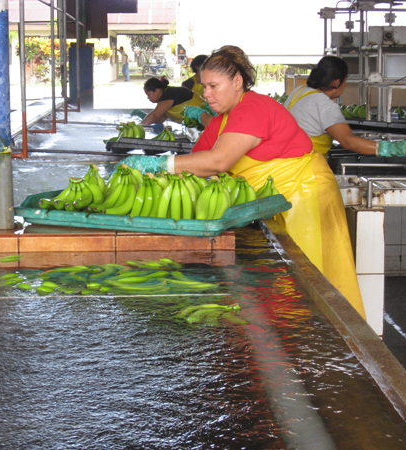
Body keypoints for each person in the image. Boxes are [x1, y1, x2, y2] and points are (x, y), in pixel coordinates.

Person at [117, 45, 367, 319]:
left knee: (314, 282)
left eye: (213, 86)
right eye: (204, 86)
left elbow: (218, 161)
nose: (206, 94)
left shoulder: (254, 108)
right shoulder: (222, 120)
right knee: (287, 285)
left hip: (304, 195)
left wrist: (160, 163)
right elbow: (199, 160)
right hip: (272, 201)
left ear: (237, 82)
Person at [284, 55, 406, 157]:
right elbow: (348, 141)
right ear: (338, 82)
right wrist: (391, 148)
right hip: (304, 170)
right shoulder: (325, 106)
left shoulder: (299, 91)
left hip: (284, 164)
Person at [140, 77, 204, 125]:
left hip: (202, 117)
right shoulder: (166, 95)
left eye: (149, 95)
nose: (148, 98)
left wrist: (140, 126)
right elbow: (160, 119)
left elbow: (154, 115)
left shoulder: (168, 94)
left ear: (157, 91)